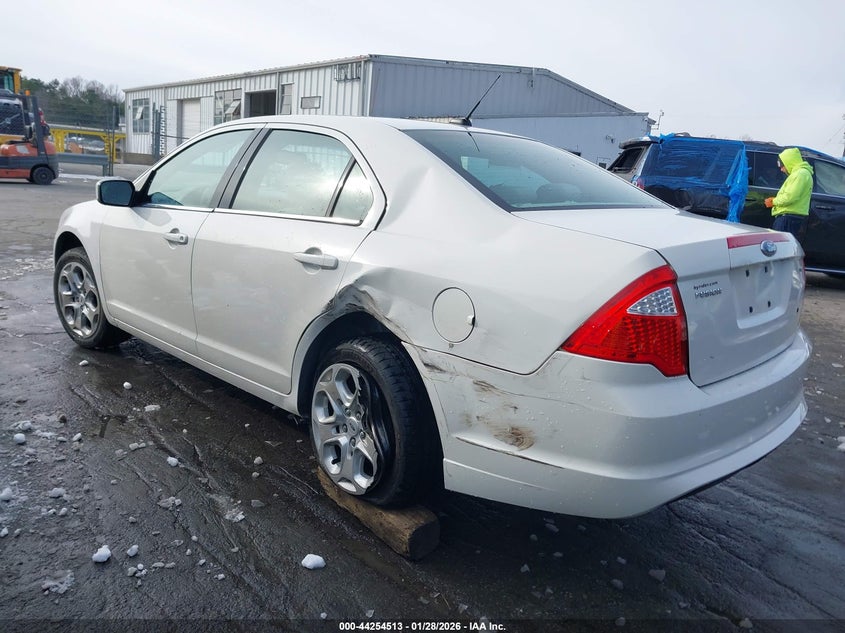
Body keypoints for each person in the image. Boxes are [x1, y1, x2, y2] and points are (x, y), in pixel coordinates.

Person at [764, 147, 813, 242]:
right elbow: (791, 194)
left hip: (788, 219)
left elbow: (790, 197)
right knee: (783, 248)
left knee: (779, 248)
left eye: (782, 165)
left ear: (789, 162)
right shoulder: (801, 174)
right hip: (790, 217)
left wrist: (773, 201)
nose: (781, 169)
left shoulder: (800, 174)